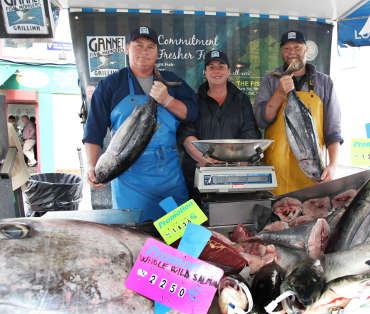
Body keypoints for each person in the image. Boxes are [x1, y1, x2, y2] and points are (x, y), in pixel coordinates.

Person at [83, 26, 198, 222]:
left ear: (157, 52)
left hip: (169, 179)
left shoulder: (173, 82)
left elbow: (192, 113)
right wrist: (92, 165)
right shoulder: (110, 84)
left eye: (150, 46)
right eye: (138, 45)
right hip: (129, 180)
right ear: (127, 48)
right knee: (136, 243)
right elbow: (94, 129)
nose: (144, 51)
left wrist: (168, 101)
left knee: (185, 240)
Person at [253, 30, 343, 195]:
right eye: (287, 48)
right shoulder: (270, 80)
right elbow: (261, 120)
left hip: (312, 175)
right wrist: (279, 93)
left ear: (306, 49)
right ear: (281, 51)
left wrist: (333, 165)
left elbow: (333, 130)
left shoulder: (324, 83)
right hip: (276, 175)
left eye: (297, 47)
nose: (292, 52)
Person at [178, 50, 260, 197]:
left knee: (233, 217)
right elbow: (187, 136)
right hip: (199, 177)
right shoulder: (193, 100)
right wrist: (207, 161)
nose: (216, 71)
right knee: (200, 219)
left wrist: (239, 161)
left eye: (221, 66)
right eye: (211, 67)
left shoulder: (242, 100)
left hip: (235, 178)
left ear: (229, 71)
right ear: (205, 72)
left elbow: (250, 134)